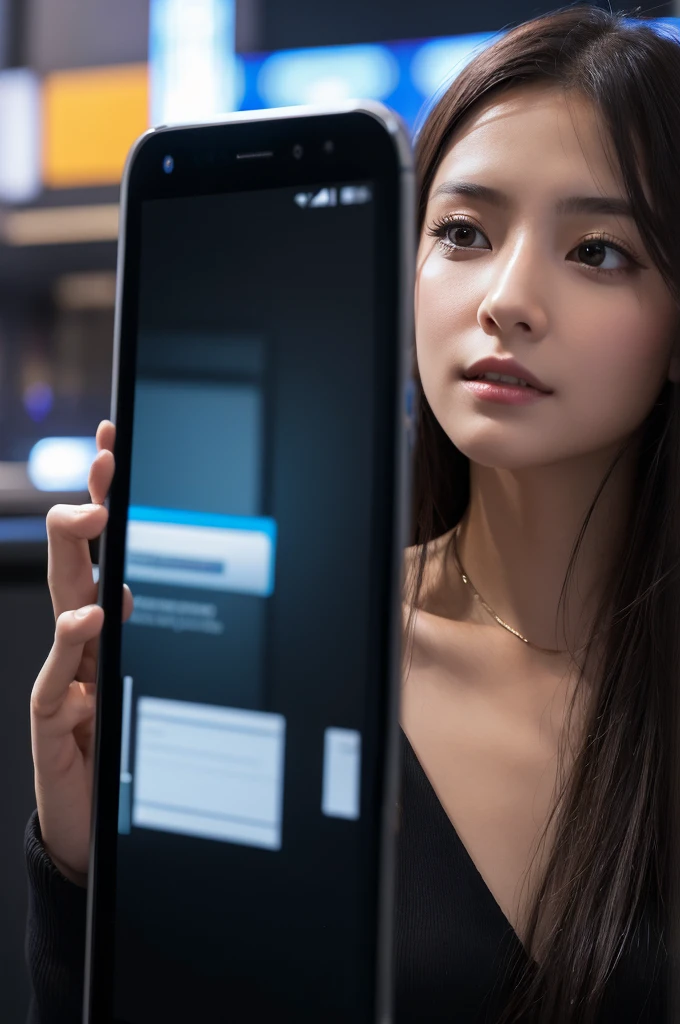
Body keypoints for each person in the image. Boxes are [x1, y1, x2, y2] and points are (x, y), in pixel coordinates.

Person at [25, 5, 680, 1022]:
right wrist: (91, 876)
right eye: (461, 232)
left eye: (597, 251)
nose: (507, 298)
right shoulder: (303, 649)